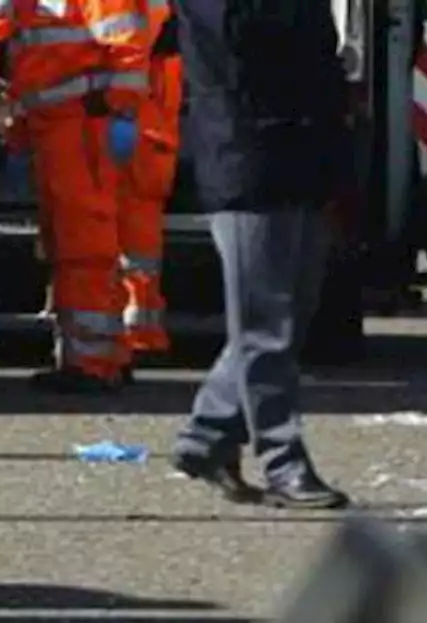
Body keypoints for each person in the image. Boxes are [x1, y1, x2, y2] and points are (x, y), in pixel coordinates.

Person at [170, 0, 351, 509]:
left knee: (292, 310)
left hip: (302, 154)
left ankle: (206, 438)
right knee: (265, 322)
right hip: (246, 153)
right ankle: (282, 460)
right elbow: (242, 39)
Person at [0, 0, 151, 395]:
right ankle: (100, 354)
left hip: (80, 123)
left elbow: (126, 44)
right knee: (71, 241)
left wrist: (118, 108)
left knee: (83, 242)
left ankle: (91, 362)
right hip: (59, 124)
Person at [118, 0, 180, 375]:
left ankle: (129, 334)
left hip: (130, 120)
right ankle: (139, 329)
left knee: (113, 232)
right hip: (148, 126)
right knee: (138, 237)